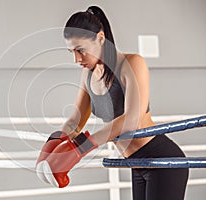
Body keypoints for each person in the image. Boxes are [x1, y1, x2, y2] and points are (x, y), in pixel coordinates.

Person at [36, 5, 188, 200]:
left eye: (80, 50)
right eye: (71, 51)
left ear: (100, 38)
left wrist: (79, 149)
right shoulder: (87, 74)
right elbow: (76, 121)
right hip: (137, 166)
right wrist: (52, 145)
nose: (76, 59)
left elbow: (131, 119)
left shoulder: (132, 64)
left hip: (162, 161)